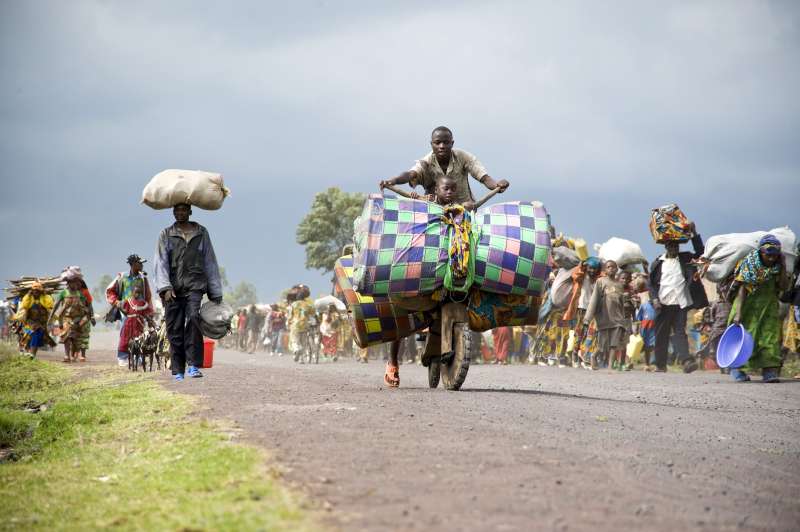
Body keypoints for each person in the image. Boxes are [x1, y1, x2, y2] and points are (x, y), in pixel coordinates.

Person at [153, 203, 223, 381]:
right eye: (177, 210)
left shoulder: (201, 233)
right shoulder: (166, 234)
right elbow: (160, 262)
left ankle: (193, 365)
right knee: (174, 327)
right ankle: (178, 369)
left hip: (195, 285)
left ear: (190, 212)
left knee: (193, 319)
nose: (180, 213)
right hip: (173, 289)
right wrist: (165, 288)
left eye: (184, 210)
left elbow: (210, 261)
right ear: (173, 212)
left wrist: (215, 291)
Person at [379, 126, 509, 206]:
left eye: (446, 142)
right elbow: (410, 174)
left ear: (452, 143)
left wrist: (497, 185)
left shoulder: (463, 157)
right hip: (436, 211)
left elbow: (484, 178)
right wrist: (393, 181)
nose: (442, 146)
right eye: (437, 143)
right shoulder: (426, 162)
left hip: (464, 209)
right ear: (432, 144)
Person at [728, 235, 791, 382]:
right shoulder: (749, 264)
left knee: (769, 339)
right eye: (769, 255)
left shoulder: (778, 266)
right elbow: (742, 290)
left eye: (775, 255)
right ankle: (737, 369)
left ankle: (769, 371)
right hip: (747, 307)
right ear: (761, 252)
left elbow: (783, 286)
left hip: (768, 307)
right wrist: (738, 313)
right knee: (744, 340)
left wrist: (783, 267)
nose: (771, 258)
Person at [648, 223, 708, 373]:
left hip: (681, 303)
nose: (674, 249)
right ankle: (660, 364)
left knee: (680, 332)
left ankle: (687, 361)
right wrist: (654, 299)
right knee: (661, 334)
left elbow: (701, 252)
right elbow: (651, 285)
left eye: (676, 246)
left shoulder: (686, 258)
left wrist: (694, 233)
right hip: (662, 304)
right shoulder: (658, 263)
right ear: (666, 246)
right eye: (671, 246)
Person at [106, 254, 153, 367]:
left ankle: (139, 357)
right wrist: (117, 302)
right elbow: (110, 291)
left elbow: (148, 296)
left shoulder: (143, 278)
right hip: (125, 310)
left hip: (139, 311)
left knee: (139, 334)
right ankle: (122, 356)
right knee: (125, 332)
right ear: (133, 264)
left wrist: (149, 313)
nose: (142, 265)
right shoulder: (122, 277)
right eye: (139, 263)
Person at [583, 260, 629, 371]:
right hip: (604, 317)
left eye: (613, 267)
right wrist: (587, 318)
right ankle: (594, 356)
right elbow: (594, 300)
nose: (611, 269)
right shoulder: (600, 281)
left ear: (617, 270)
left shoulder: (619, 285)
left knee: (614, 343)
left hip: (617, 318)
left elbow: (622, 304)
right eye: (608, 267)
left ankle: (610, 367)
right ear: (605, 270)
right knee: (602, 345)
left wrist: (624, 319)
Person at [14, 281, 55, 358]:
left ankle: (32, 355)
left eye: (38, 291)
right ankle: (32, 354)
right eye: (35, 291)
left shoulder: (46, 298)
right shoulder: (28, 297)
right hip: (29, 322)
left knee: (39, 337)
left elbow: (50, 305)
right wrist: (29, 295)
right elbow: (25, 305)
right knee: (34, 334)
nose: (36, 292)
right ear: (32, 291)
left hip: (42, 322)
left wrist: (45, 294)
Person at [117, 285, 154, 368]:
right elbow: (126, 312)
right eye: (135, 292)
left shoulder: (142, 303)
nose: (137, 294)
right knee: (125, 340)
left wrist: (150, 321)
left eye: (138, 292)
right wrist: (120, 308)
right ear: (132, 292)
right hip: (128, 324)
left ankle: (141, 359)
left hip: (138, 324)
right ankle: (122, 358)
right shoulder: (128, 301)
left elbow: (145, 313)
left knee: (140, 341)